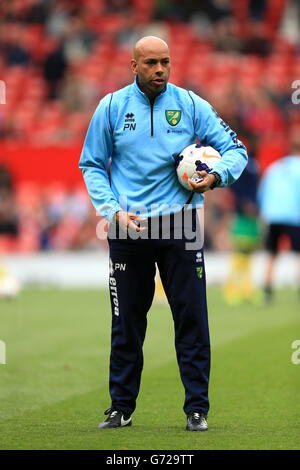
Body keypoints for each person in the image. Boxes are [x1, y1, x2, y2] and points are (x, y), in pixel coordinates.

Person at [79, 36, 248, 431]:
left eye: (165, 62)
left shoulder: (190, 104)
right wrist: (112, 211)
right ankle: (120, 408)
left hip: (183, 225)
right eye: (151, 62)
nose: (159, 69)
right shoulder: (111, 107)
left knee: (192, 319)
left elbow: (236, 148)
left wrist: (216, 176)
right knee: (126, 322)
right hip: (128, 227)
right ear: (133, 66)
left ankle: (197, 410)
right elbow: (91, 164)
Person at [257, 131, 300, 303]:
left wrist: (264, 214)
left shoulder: (275, 167)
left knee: (272, 254)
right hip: (294, 216)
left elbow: (262, 193)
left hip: (272, 215)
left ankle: (267, 291)